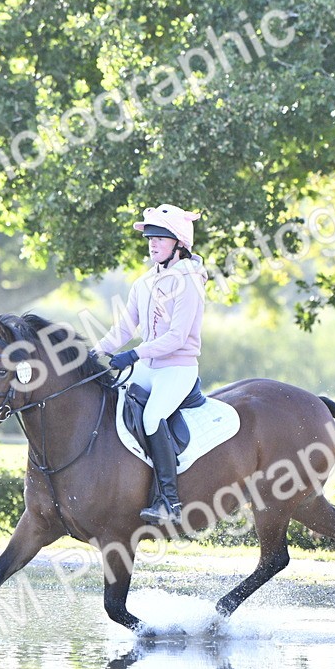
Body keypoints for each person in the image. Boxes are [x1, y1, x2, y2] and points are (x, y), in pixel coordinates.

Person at [96, 204, 208, 525]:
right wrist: (92, 352)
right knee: (113, 400)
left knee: (151, 416)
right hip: (150, 365)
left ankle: (169, 502)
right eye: (150, 237)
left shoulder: (190, 283)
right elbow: (123, 329)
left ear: (179, 244)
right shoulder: (144, 283)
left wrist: (133, 355)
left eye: (160, 237)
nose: (152, 243)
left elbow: (176, 337)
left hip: (178, 368)